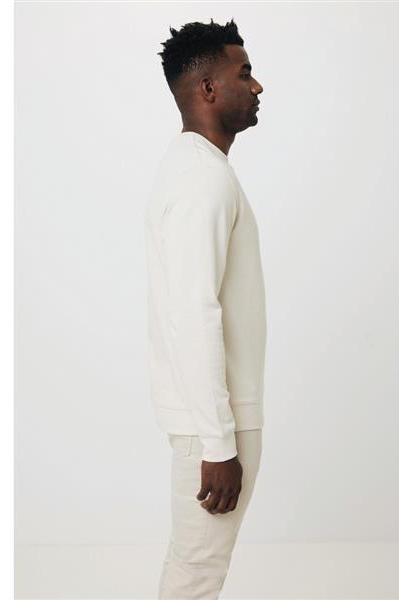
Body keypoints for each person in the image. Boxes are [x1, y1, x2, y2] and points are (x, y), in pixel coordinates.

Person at [144, 17, 266, 598]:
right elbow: (193, 315)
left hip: (208, 417)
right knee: (196, 575)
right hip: (212, 425)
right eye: (245, 73)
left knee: (192, 568)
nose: (257, 86)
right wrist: (219, 445)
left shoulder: (198, 169)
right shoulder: (202, 180)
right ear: (209, 88)